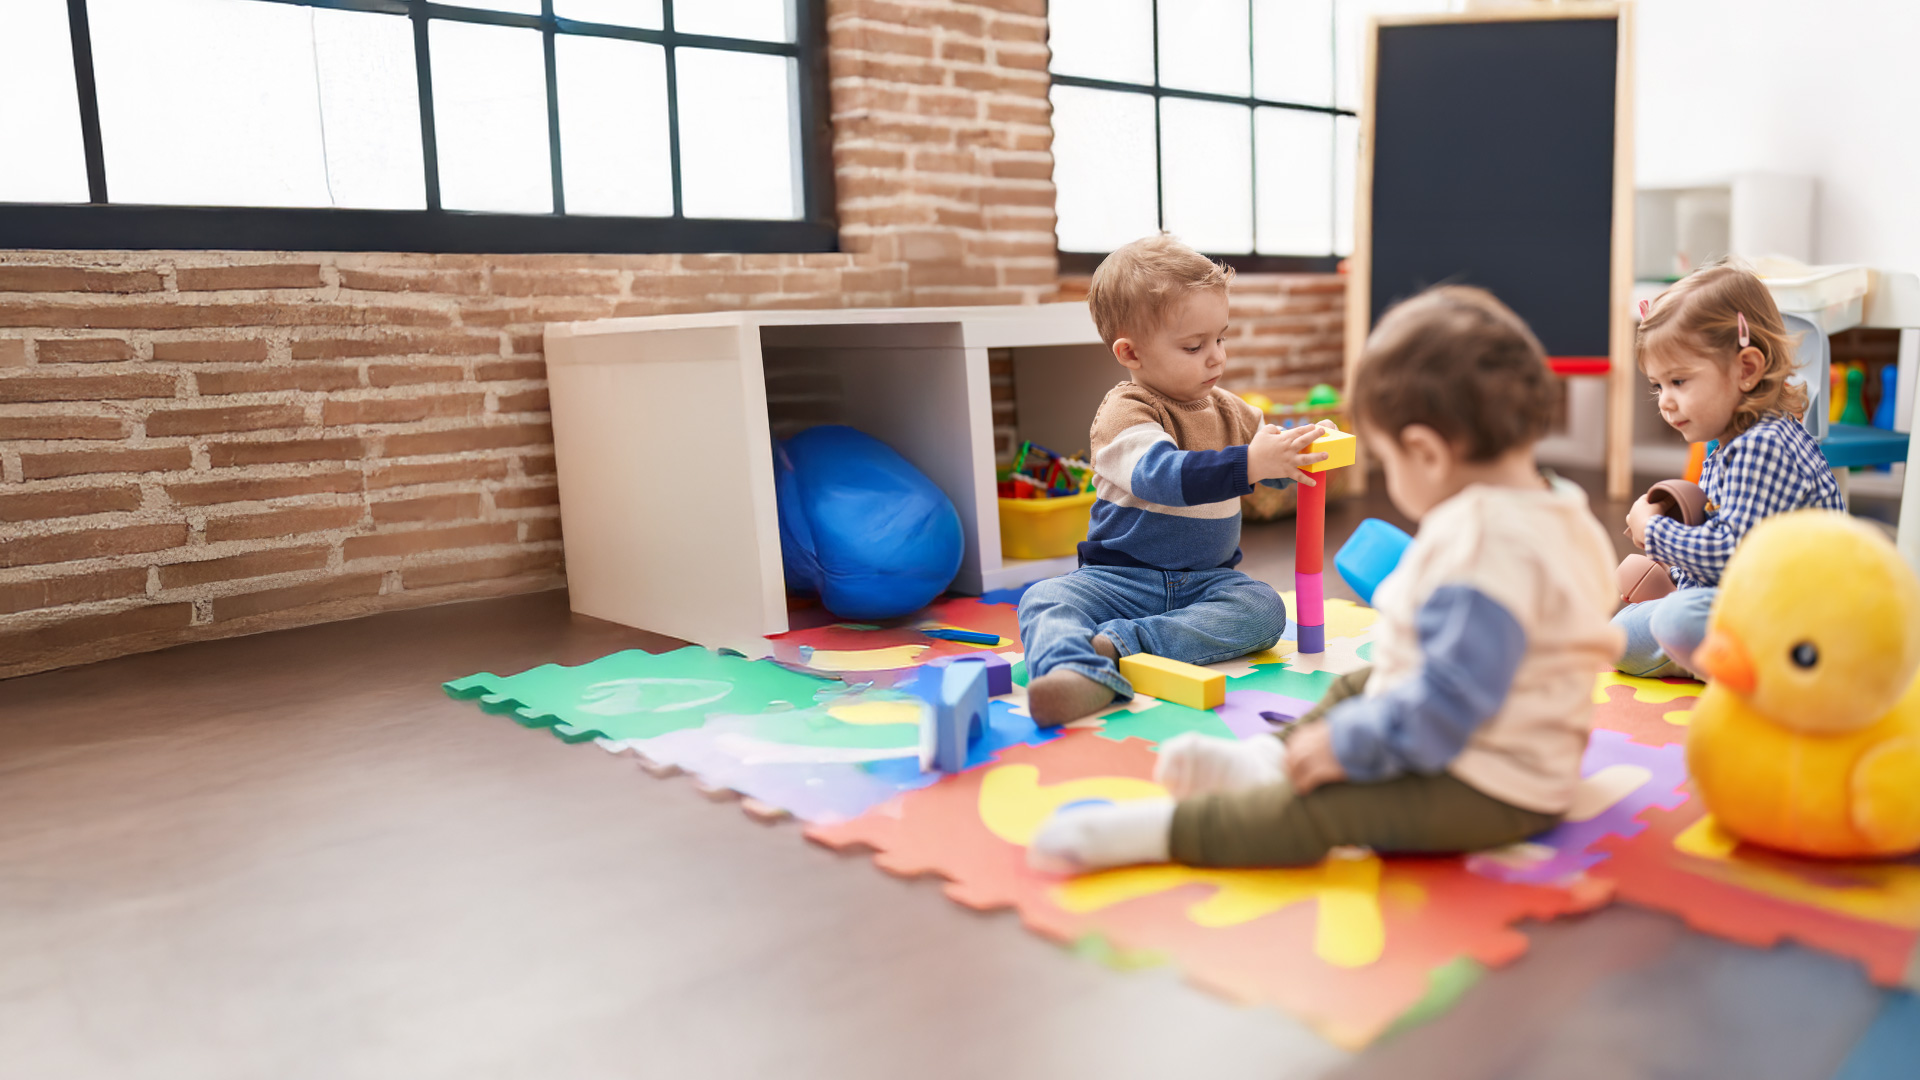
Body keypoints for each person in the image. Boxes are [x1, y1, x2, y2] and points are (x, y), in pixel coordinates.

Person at [1027, 286, 1622, 872]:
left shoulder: (1489, 547)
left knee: (1324, 809)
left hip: (1492, 781)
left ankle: (1161, 833)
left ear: (1428, 453)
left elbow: (1444, 707)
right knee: (1360, 683)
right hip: (1506, 728)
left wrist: (1345, 747)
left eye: (1387, 462)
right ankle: (1266, 758)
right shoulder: (1560, 506)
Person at [1018, 234, 1331, 726]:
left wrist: (1306, 447)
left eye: (1221, 338)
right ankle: (1074, 675)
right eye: (1194, 346)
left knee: (1264, 609)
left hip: (1208, 582)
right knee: (1046, 598)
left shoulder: (1231, 410)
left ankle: (1120, 645)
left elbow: (1278, 473)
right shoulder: (1125, 413)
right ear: (1131, 353)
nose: (1216, 357)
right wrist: (1251, 463)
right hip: (1117, 580)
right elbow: (1161, 477)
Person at [1616, 261, 1844, 678]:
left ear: (1746, 369)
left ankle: (1757, 673)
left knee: (1655, 627)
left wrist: (1655, 533)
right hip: (1753, 595)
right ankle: (1691, 630)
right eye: (1657, 385)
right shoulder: (1734, 443)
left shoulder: (1763, 445)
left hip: (1795, 616)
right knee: (1637, 591)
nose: (1665, 401)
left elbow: (1730, 554)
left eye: (1679, 382)